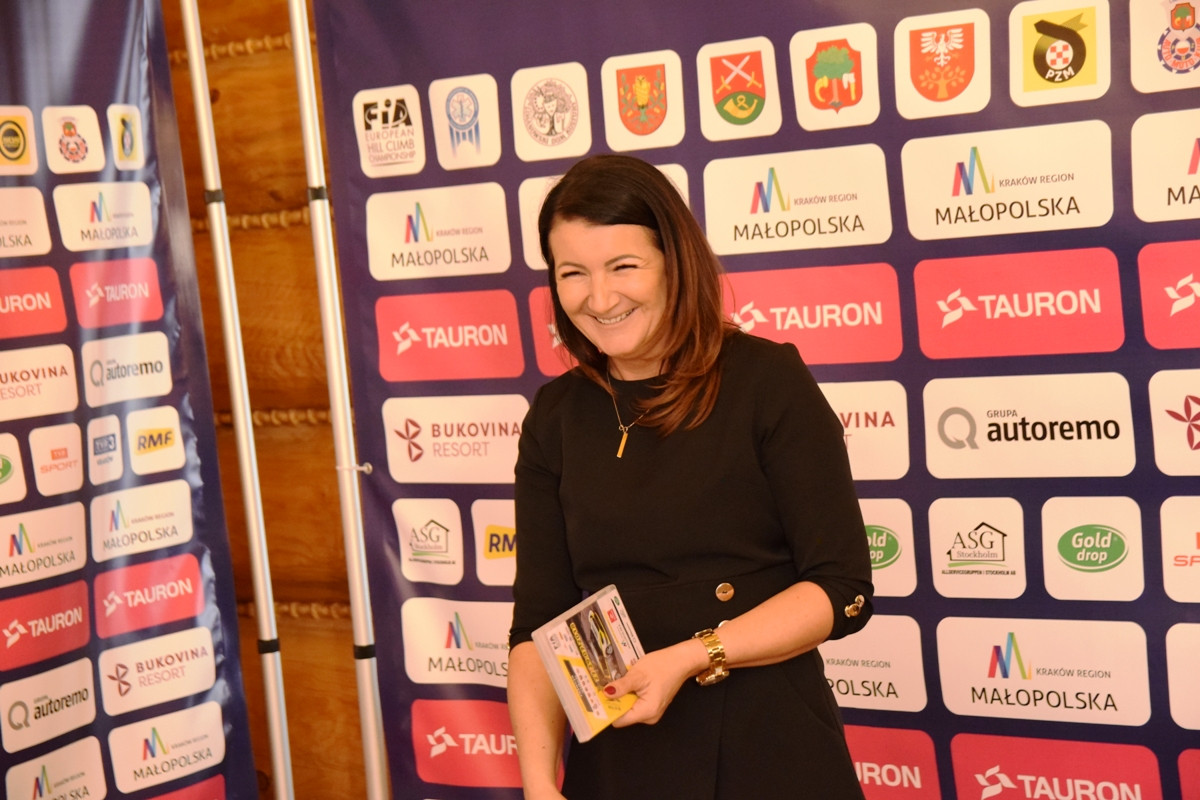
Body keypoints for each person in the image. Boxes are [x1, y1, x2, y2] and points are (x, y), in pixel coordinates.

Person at [507, 153, 873, 800]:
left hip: (768, 749)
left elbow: (840, 588)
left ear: (675, 262)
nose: (599, 298)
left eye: (624, 267)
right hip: (618, 762)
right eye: (573, 273)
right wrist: (538, 785)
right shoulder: (555, 416)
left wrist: (691, 656)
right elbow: (540, 626)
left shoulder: (766, 381)